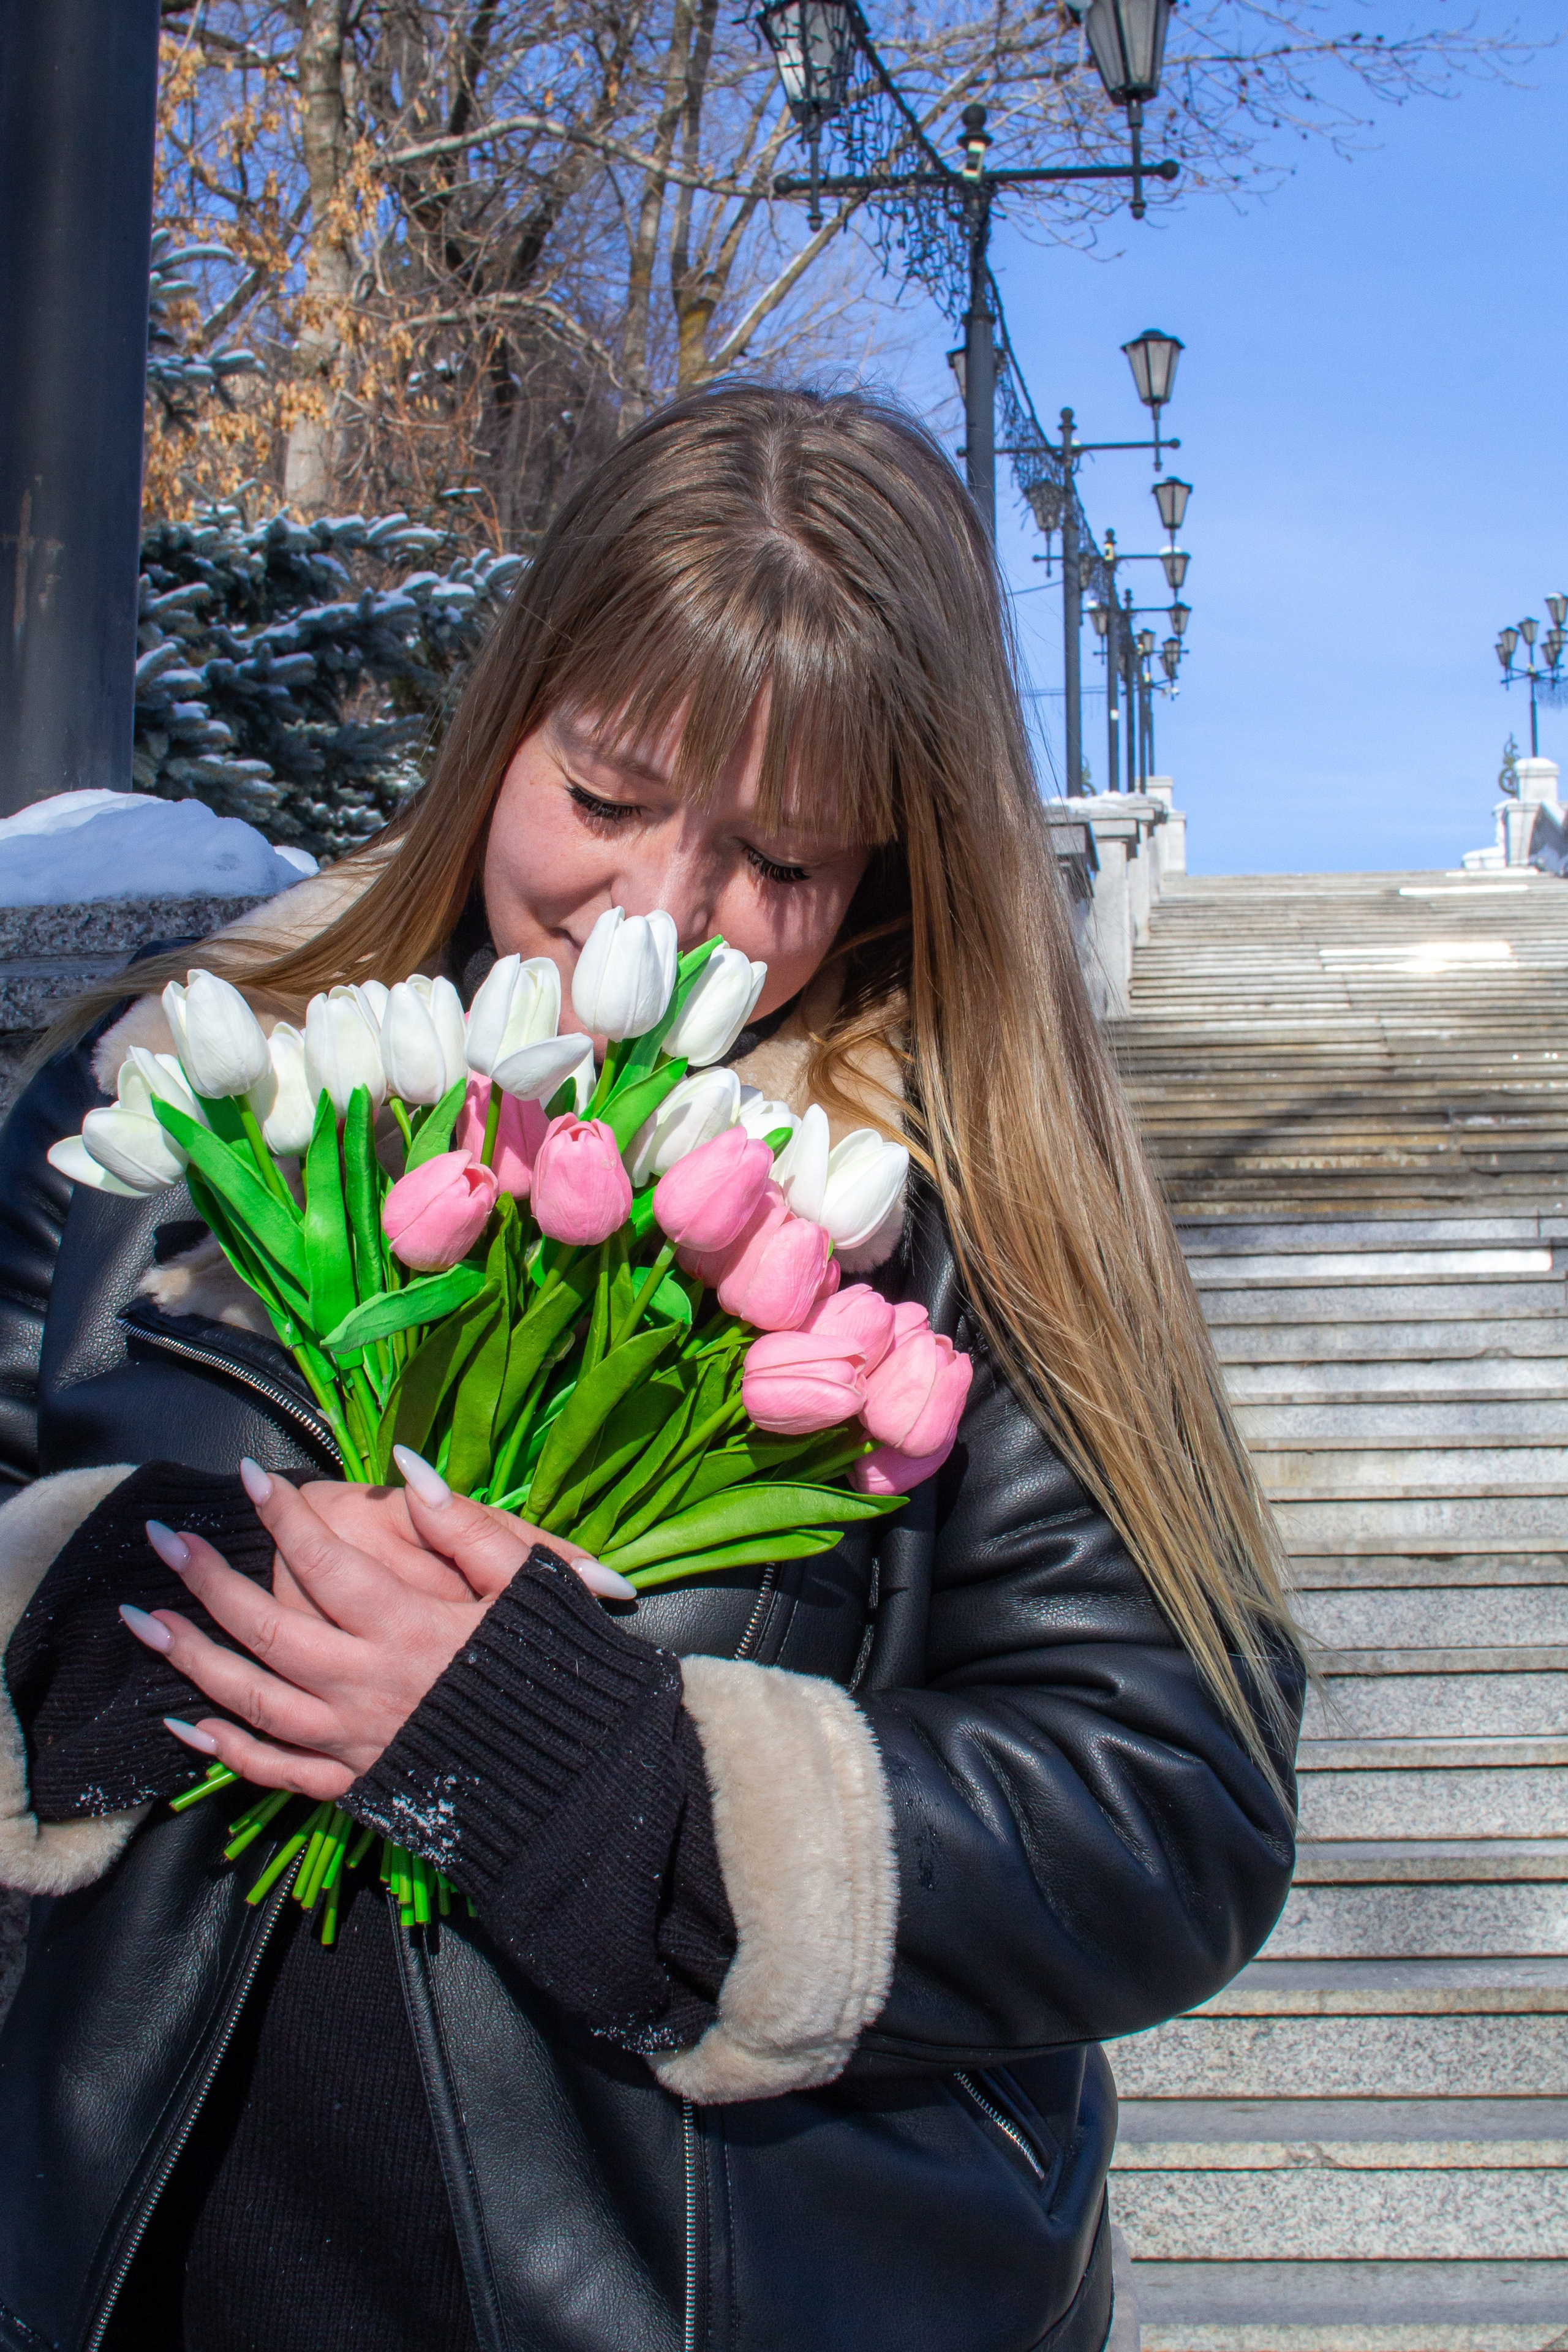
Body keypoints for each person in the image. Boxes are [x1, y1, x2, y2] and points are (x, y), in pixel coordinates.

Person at [0, 384, 1303, 2352]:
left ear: (892, 863)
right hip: (126, 2262)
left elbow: (1167, 1812)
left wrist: (583, 1766)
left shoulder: (959, 1215)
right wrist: (151, 1591)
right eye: (605, 798)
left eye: (780, 858)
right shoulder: (173, 1103)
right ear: (503, 719)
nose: (661, 914)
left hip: (702, 2291)